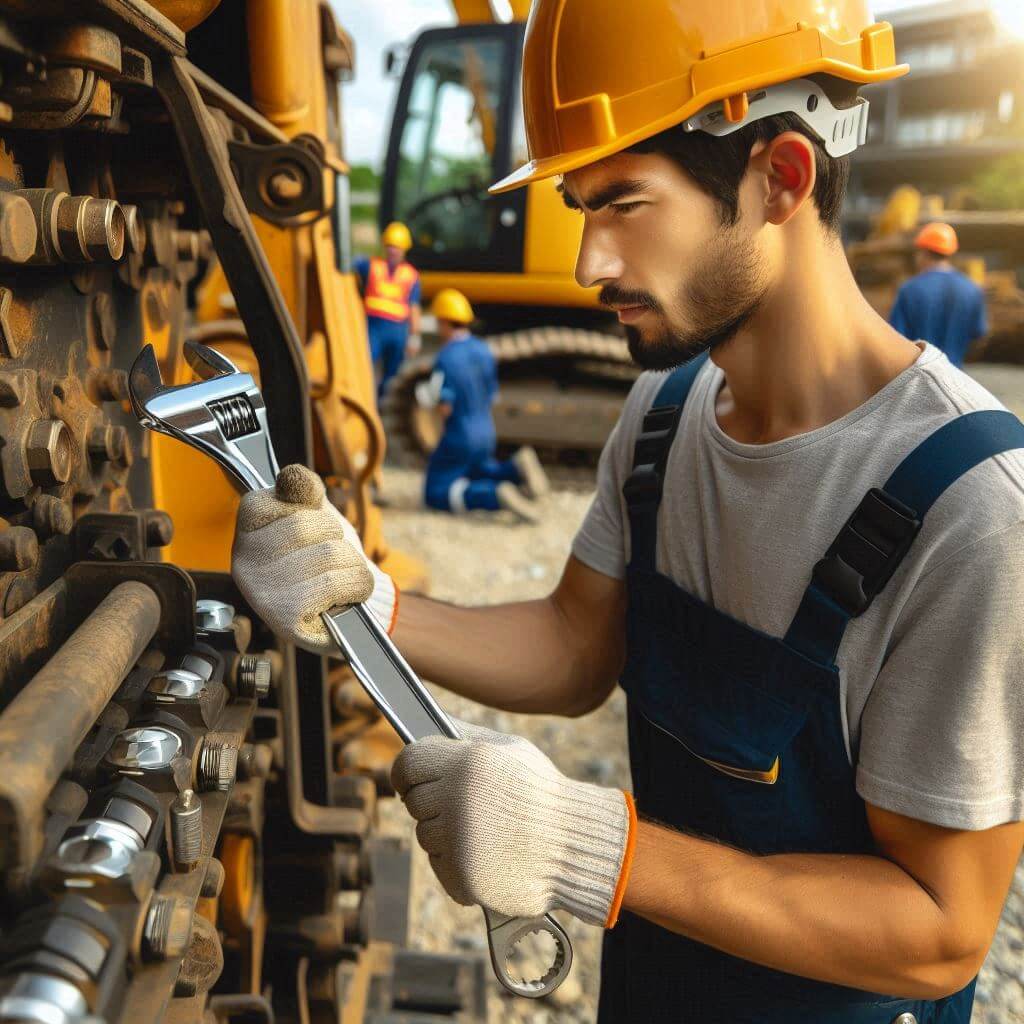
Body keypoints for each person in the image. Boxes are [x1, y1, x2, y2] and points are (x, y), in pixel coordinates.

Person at [232, 3, 1024, 1021]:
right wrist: (363, 604)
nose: (587, 263)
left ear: (780, 178)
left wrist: (587, 846)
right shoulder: (663, 416)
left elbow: (939, 933)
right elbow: (574, 643)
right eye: (580, 206)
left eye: (625, 206)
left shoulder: (969, 511)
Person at [416, 288, 550, 522]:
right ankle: (514, 469)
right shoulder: (483, 350)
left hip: (460, 434)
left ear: (444, 322)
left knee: (436, 491)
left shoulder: (446, 358)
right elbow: (491, 394)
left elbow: (445, 407)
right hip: (485, 431)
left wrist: (430, 401)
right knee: (477, 470)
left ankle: (494, 496)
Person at [889, 222, 988, 367]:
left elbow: (896, 338)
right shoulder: (972, 290)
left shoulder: (910, 289)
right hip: (956, 374)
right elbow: (978, 334)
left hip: (918, 375)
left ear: (923, 252)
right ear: (950, 253)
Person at [354, 221, 422, 401]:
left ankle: (382, 401)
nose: (393, 251)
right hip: (373, 326)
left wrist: (414, 337)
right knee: (364, 367)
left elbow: (414, 307)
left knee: (393, 373)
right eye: (390, 246)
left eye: (397, 247)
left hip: (398, 330)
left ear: (404, 250)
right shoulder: (370, 266)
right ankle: (364, 400)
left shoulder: (411, 275)